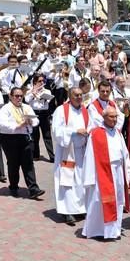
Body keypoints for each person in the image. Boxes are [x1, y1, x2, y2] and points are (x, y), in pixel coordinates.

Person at [82, 106, 130, 241]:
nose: (114, 119)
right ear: (104, 117)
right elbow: (89, 156)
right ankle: (98, 230)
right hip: (102, 172)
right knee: (99, 201)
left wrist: (128, 171)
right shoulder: (96, 133)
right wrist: (90, 177)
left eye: (116, 116)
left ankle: (114, 229)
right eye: (111, 117)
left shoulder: (118, 132)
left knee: (117, 200)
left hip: (117, 171)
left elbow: (125, 154)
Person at [51, 87, 91, 225]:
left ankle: (80, 208)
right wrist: (74, 131)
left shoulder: (85, 110)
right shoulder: (61, 110)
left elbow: (90, 125)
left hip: (81, 151)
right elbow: (56, 130)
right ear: (70, 96)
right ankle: (66, 211)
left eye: (81, 95)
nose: (79, 97)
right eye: (76, 95)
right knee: (67, 181)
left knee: (80, 180)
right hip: (67, 151)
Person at [0, 87, 45, 199]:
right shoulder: (6, 108)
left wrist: (31, 121)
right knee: (14, 163)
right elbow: (2, 124)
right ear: (10, 96)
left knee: (28, 163)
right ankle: (13, 186)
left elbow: (36, 120)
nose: (19, 98)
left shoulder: (26, 107)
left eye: (21, 96)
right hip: (10, 138)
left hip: (25, 137)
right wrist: (18, 126)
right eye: (16, 96)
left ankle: (33, 188)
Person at [25, 73, 55, 162]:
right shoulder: (29, 91)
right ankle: (35, 154)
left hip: (44, 113)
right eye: (39, 81)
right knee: (35, 135)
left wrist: (37, 94)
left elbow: (47, 101)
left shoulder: (47, 91)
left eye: (43, 81)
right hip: (34, 113)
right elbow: (27, 100)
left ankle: (51, 156)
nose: (42, 83)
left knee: (47, 135)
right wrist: (32, 93)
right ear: (34, 82)